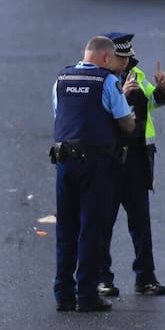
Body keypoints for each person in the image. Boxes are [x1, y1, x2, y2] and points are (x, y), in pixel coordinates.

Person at [51, 36, 136, 313]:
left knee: (66, 228)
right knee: (91, 227)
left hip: (64, 160)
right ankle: (86, 294)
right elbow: (125, 123)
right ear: (104, 58)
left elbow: (59, 113)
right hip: (95, 163)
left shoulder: (61, 79)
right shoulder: (107, 82)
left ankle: (63, 293)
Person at [96, 32, 165, 298]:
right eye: (123, 58)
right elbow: (96, 115)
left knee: (141, 222)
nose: (128, 63)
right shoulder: (98, 80)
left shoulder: (137, 76)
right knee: (103, 222)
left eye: (129, 58)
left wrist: (163, 90)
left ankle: (146, 277)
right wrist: (122, 96)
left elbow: (152, 101)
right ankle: (102, 278)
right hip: (109, 160)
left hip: (137, 159)